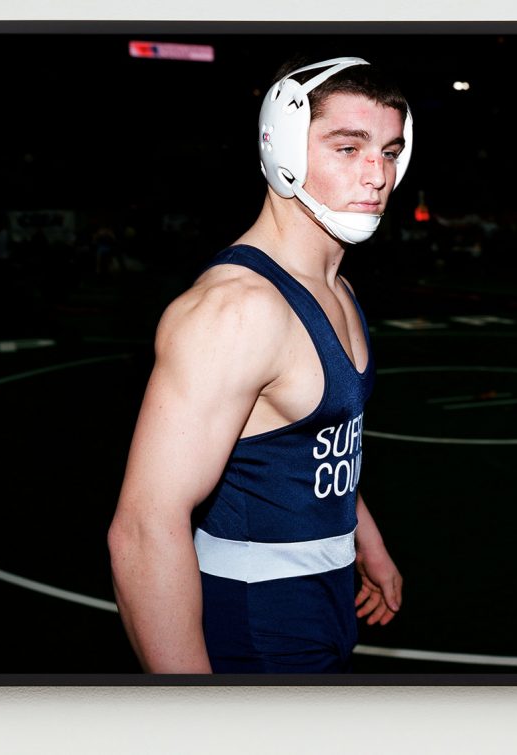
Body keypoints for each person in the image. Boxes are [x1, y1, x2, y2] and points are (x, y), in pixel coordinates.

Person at [108, 57, 411, 673]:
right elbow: (143, 527)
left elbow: (314, 442)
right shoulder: (236, 311)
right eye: (348, 148)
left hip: (324, 602)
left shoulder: (338, 287)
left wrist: (366, 542)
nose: (376, 174)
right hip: (255, 625)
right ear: (283, 151)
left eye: (390, 150)